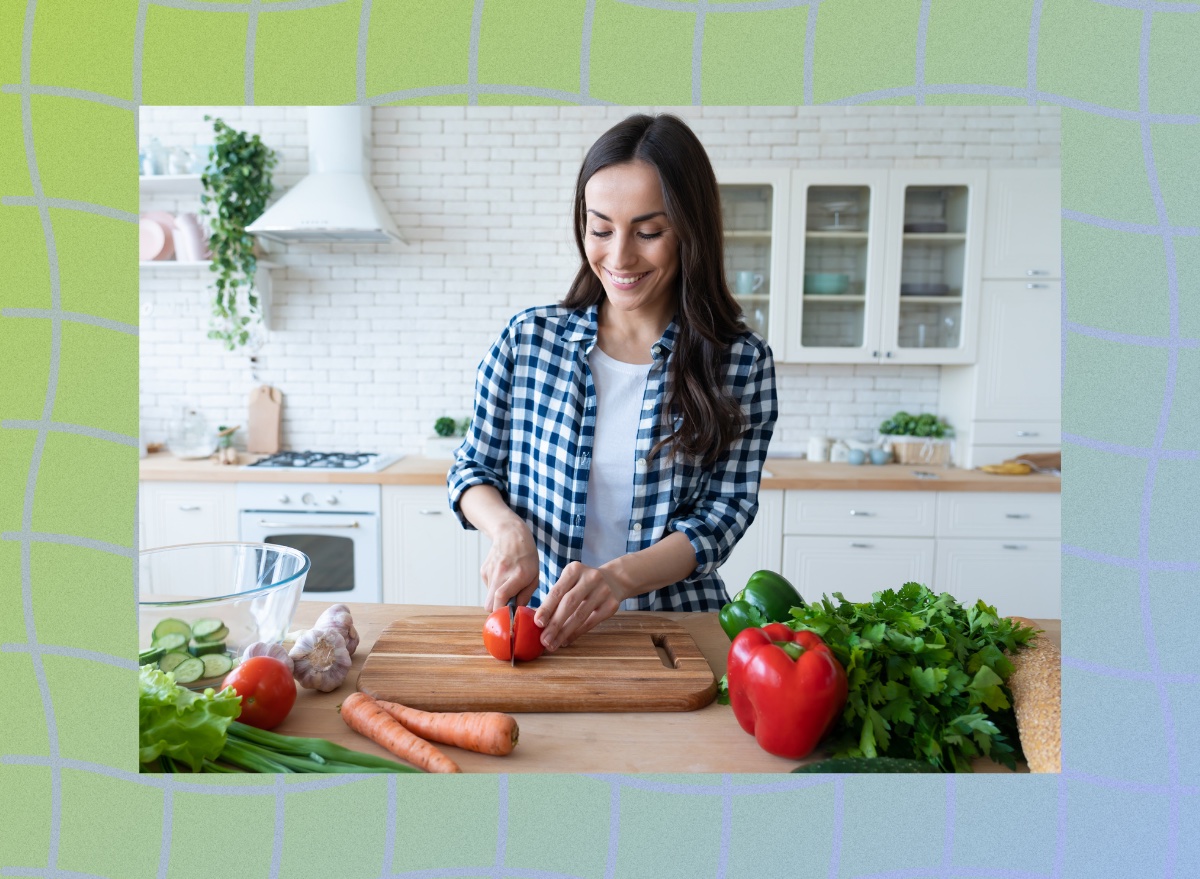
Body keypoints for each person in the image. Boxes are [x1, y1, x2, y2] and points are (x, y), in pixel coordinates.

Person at [447, 113, 778, 653]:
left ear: (690, 231)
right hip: (548, 630)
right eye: (601, 229)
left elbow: (722, 517)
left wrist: (618, 578)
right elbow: (472, 469)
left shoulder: (739, 363)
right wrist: (508, 530)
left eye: (648, 232)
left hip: (677, 635)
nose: (619, 257)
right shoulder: (528, 340)